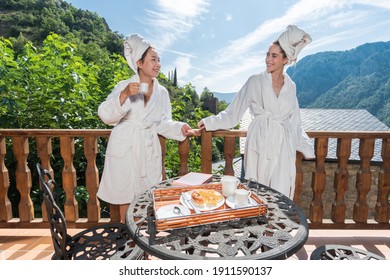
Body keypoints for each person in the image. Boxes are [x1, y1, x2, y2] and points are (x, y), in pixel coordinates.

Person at [197, 25, 315, 199]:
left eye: (274, 56)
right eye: (267, 54)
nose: (268, 59)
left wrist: (305, 147)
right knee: (257, 191)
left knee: (280, 193)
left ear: (285, 59)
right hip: (259, 141)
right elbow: (233, 113)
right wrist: (209, 122)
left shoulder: (291, 86)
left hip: (283, 146)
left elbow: (295, 121)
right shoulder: (254, 81)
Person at [97, 33, 195, 222]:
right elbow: (105, 115)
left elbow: (162, 122)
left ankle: (143, 242)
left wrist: (180, 128)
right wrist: (124, 95)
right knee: (125, 196)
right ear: (139, 63)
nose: (158, 64)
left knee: (147, 198)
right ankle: (128, 243)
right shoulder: (124, 85)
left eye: (159, 60)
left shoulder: (162, 92)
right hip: (126, 147)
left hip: (148, 149)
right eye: (153, 60)